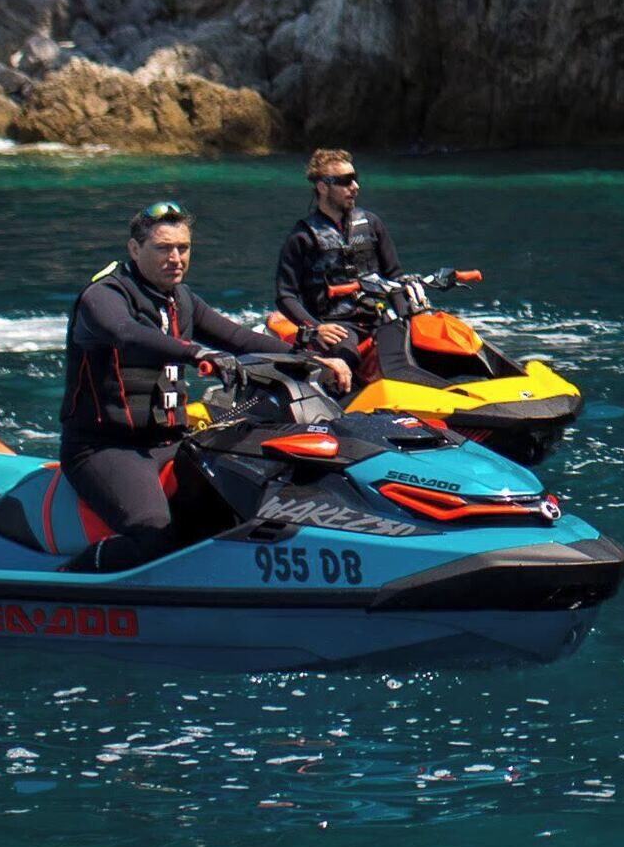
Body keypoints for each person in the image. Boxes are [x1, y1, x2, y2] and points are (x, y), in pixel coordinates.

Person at [59, 200, 349, 573]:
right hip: (105, 447)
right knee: (155, 537)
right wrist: (196, 354)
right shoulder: (104, 296)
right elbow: (127, 334)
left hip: (170, 441)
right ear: (134, 249)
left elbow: (239, 339)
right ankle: (70, 577)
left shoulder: (182, 299)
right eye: (163, 248)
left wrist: (310, 360)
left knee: (238, 510)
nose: (176, 258)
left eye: (183, 248)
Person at [270, 148, 400, 364]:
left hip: (377, 318)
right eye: (346, 181)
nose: (355, 187)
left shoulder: (371, 223)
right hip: (336, 326)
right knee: (345, 358)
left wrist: (409, 317)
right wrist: (316, 327)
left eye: (355, 179)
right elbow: (285, 295)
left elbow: (394, 275)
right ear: (323, 187)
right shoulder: (302, 237)